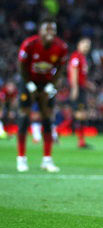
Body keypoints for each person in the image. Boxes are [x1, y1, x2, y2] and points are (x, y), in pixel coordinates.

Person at [16, 16, 69, 173]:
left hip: (46, 84)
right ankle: (21, 159)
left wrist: (51, 86)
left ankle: (47, 160)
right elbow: (21, 66)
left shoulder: (61, 47)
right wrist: (30, 85)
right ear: (40, 31)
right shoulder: (30, 44)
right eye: (48, 29)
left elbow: (60, 69)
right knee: (24, 118)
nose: (51, 32)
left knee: (47, 119)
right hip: (28, 82)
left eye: (53, 29)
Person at [68, 37, 94, 149]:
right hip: (78, 88)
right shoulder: (76, 56)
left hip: (81, 87)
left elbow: (81, 75)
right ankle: (57, 131)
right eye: (85, 44)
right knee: (80, 114)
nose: (86, 47)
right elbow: (73, 71)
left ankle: (81, 141)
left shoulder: (83, 58)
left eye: (88, 46)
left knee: (81, 115)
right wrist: (75, 88)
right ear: (79, 44)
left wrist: (88, 84)